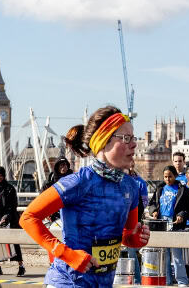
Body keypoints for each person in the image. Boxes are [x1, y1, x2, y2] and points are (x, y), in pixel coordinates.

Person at [19, 106, 150, 287]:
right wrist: (68, 255)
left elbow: (127, 236)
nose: (134, 144)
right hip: (67, 282)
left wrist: (136, 239)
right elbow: (28, 217)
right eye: (126, 138)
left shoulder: (131, 186)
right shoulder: (78, 183)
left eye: (133, 138)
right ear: (104, 142)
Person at [148, 165, 189, 286]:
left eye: (170, 176)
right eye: (165, 177)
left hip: (175, 226)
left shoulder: (182, 189)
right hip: (162, 225)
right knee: (165, 256)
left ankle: (182, 281)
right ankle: (167, 281)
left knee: (177, 256)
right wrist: (154, 211)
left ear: (175, 176)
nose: (167, 179)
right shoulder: (160, 188)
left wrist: (181, 215)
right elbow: (152, 203)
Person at [41, 156, 73, 225]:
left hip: (69, 212)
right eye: (61, 165)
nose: (63, 167)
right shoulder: (49, 181)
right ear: (57, 167)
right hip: (53, 214)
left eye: (65, 165)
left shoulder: (73, 179)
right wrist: (46, 212)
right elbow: (41, 198)